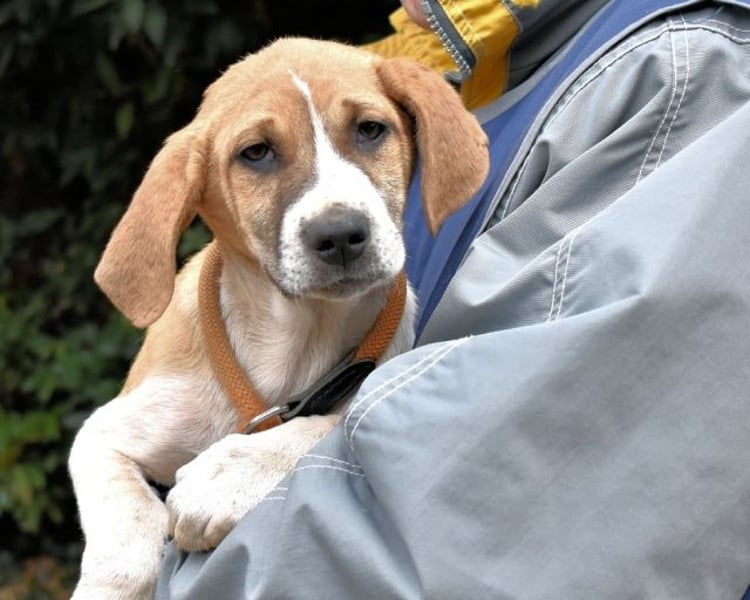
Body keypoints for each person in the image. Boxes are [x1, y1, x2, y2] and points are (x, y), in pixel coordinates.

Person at [157, 0, 750, 597]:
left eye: (369, 132)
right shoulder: (447, 75)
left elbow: (465, 513)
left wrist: (172, 572)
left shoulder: (686, 70)